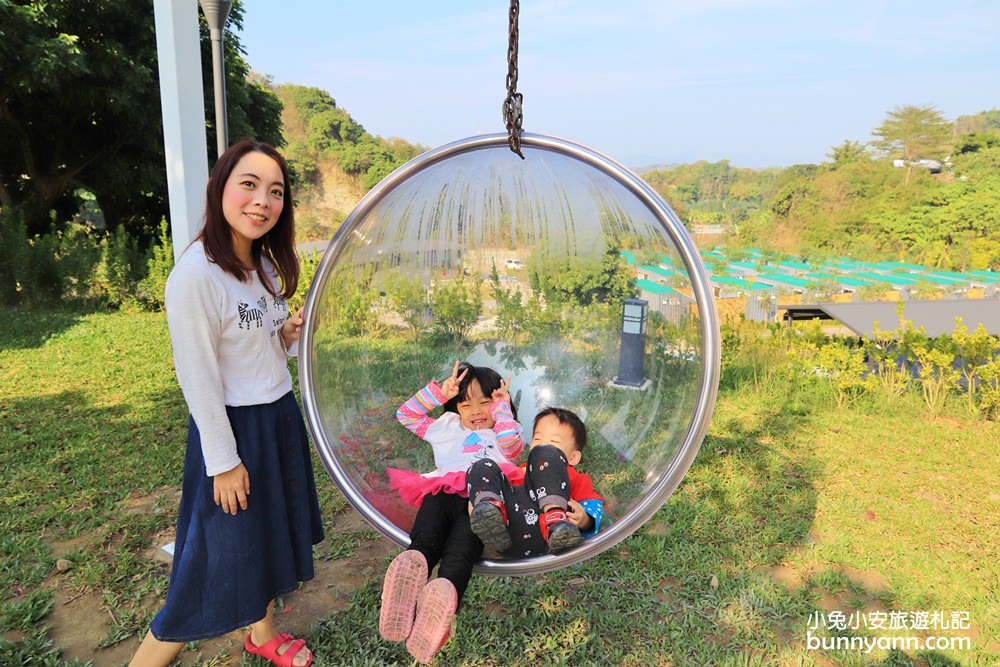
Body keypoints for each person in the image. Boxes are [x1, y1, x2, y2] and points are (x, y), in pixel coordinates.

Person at [129, 140, 324, 667]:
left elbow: (254, 346)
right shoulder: (195, 276)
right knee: (207, 569)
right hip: (236, 432)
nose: (263, 201)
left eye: (276, 191)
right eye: (249, 184)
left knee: (266, 539)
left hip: (278, 416)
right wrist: (224, 462)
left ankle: (261, 636)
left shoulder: (257, 262)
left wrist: (283, 334)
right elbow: (198, 378)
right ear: (220, 188)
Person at [380, 361, 524, 664]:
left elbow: (513, 448)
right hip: (444, 490)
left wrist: (502, 410)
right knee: (428, 534)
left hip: (483, 502)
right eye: (465, 403)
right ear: (455, 406)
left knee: (462, 550)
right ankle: (413, 567)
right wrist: (438, 392)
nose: (476, 410)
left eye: (485, 401)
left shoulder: (504, 431)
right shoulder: (446, 426)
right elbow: (406, 415)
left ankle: (442, 601)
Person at [467, 407, 604, 557]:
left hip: (550, 536)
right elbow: (505, 488)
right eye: (537, 439)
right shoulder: (520, 471)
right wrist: (480, 502)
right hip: (508, 533)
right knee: (482, 465)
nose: (541, 445)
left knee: (546, 455)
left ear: (573, 457)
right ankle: (490, 512)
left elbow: (593, 506)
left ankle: (554, 517)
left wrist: (585, 520)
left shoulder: (576, 478)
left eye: (554, 441)